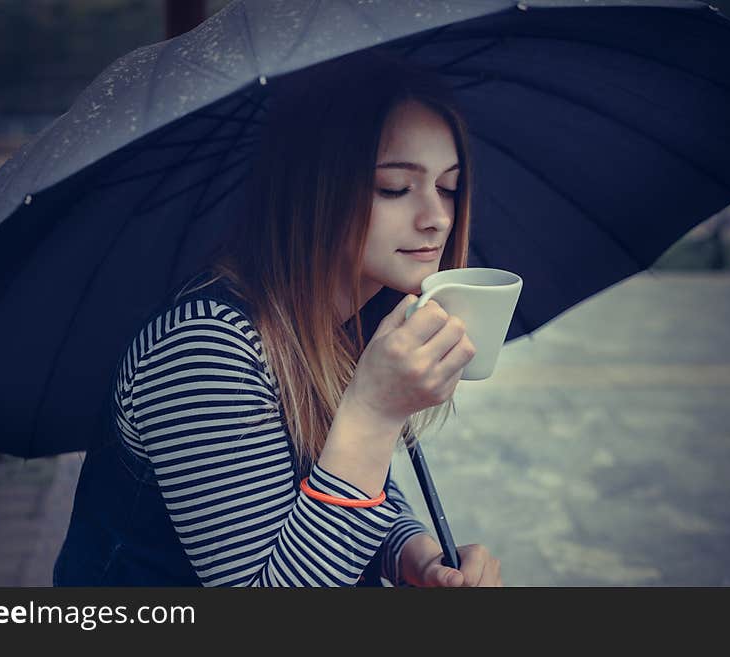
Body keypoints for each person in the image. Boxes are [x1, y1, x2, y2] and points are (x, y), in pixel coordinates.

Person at [53, 47, 502, 587]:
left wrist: (415, 555)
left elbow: (338, 488)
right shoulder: (204, 350)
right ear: (315, 189)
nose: (436, 218)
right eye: (395, 188)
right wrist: (374, 412)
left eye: (448, 188)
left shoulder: (344, 322)